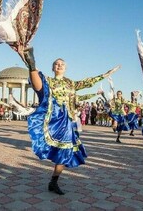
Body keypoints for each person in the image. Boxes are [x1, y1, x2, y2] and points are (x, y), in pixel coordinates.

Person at [21, 46, 119, 195]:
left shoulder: (71, 83)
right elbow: (37, 84)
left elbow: (88, 82)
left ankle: (54, 181)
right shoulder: (48, 80)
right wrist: (29, 63)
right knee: (38, 79)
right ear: (53, 68)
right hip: (52, 116)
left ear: (65, 68)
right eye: (56, 64)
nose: (59, 65)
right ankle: (31, 62)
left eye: (62, 64)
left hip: (66, 119)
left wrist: (105, 75)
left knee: (66, 150)